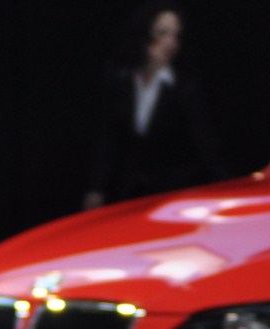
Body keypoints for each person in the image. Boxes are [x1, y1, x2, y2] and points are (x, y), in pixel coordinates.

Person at [83, 3, 223, 210]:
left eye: (176, 35)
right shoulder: (122, 78)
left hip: (173, 193)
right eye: (163, 33)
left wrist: (222, 187)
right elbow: (110, 137)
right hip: (130, 190)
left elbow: (204, 141)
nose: (170, 42)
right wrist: (97, 188)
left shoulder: (182, 85)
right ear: (145, 34)